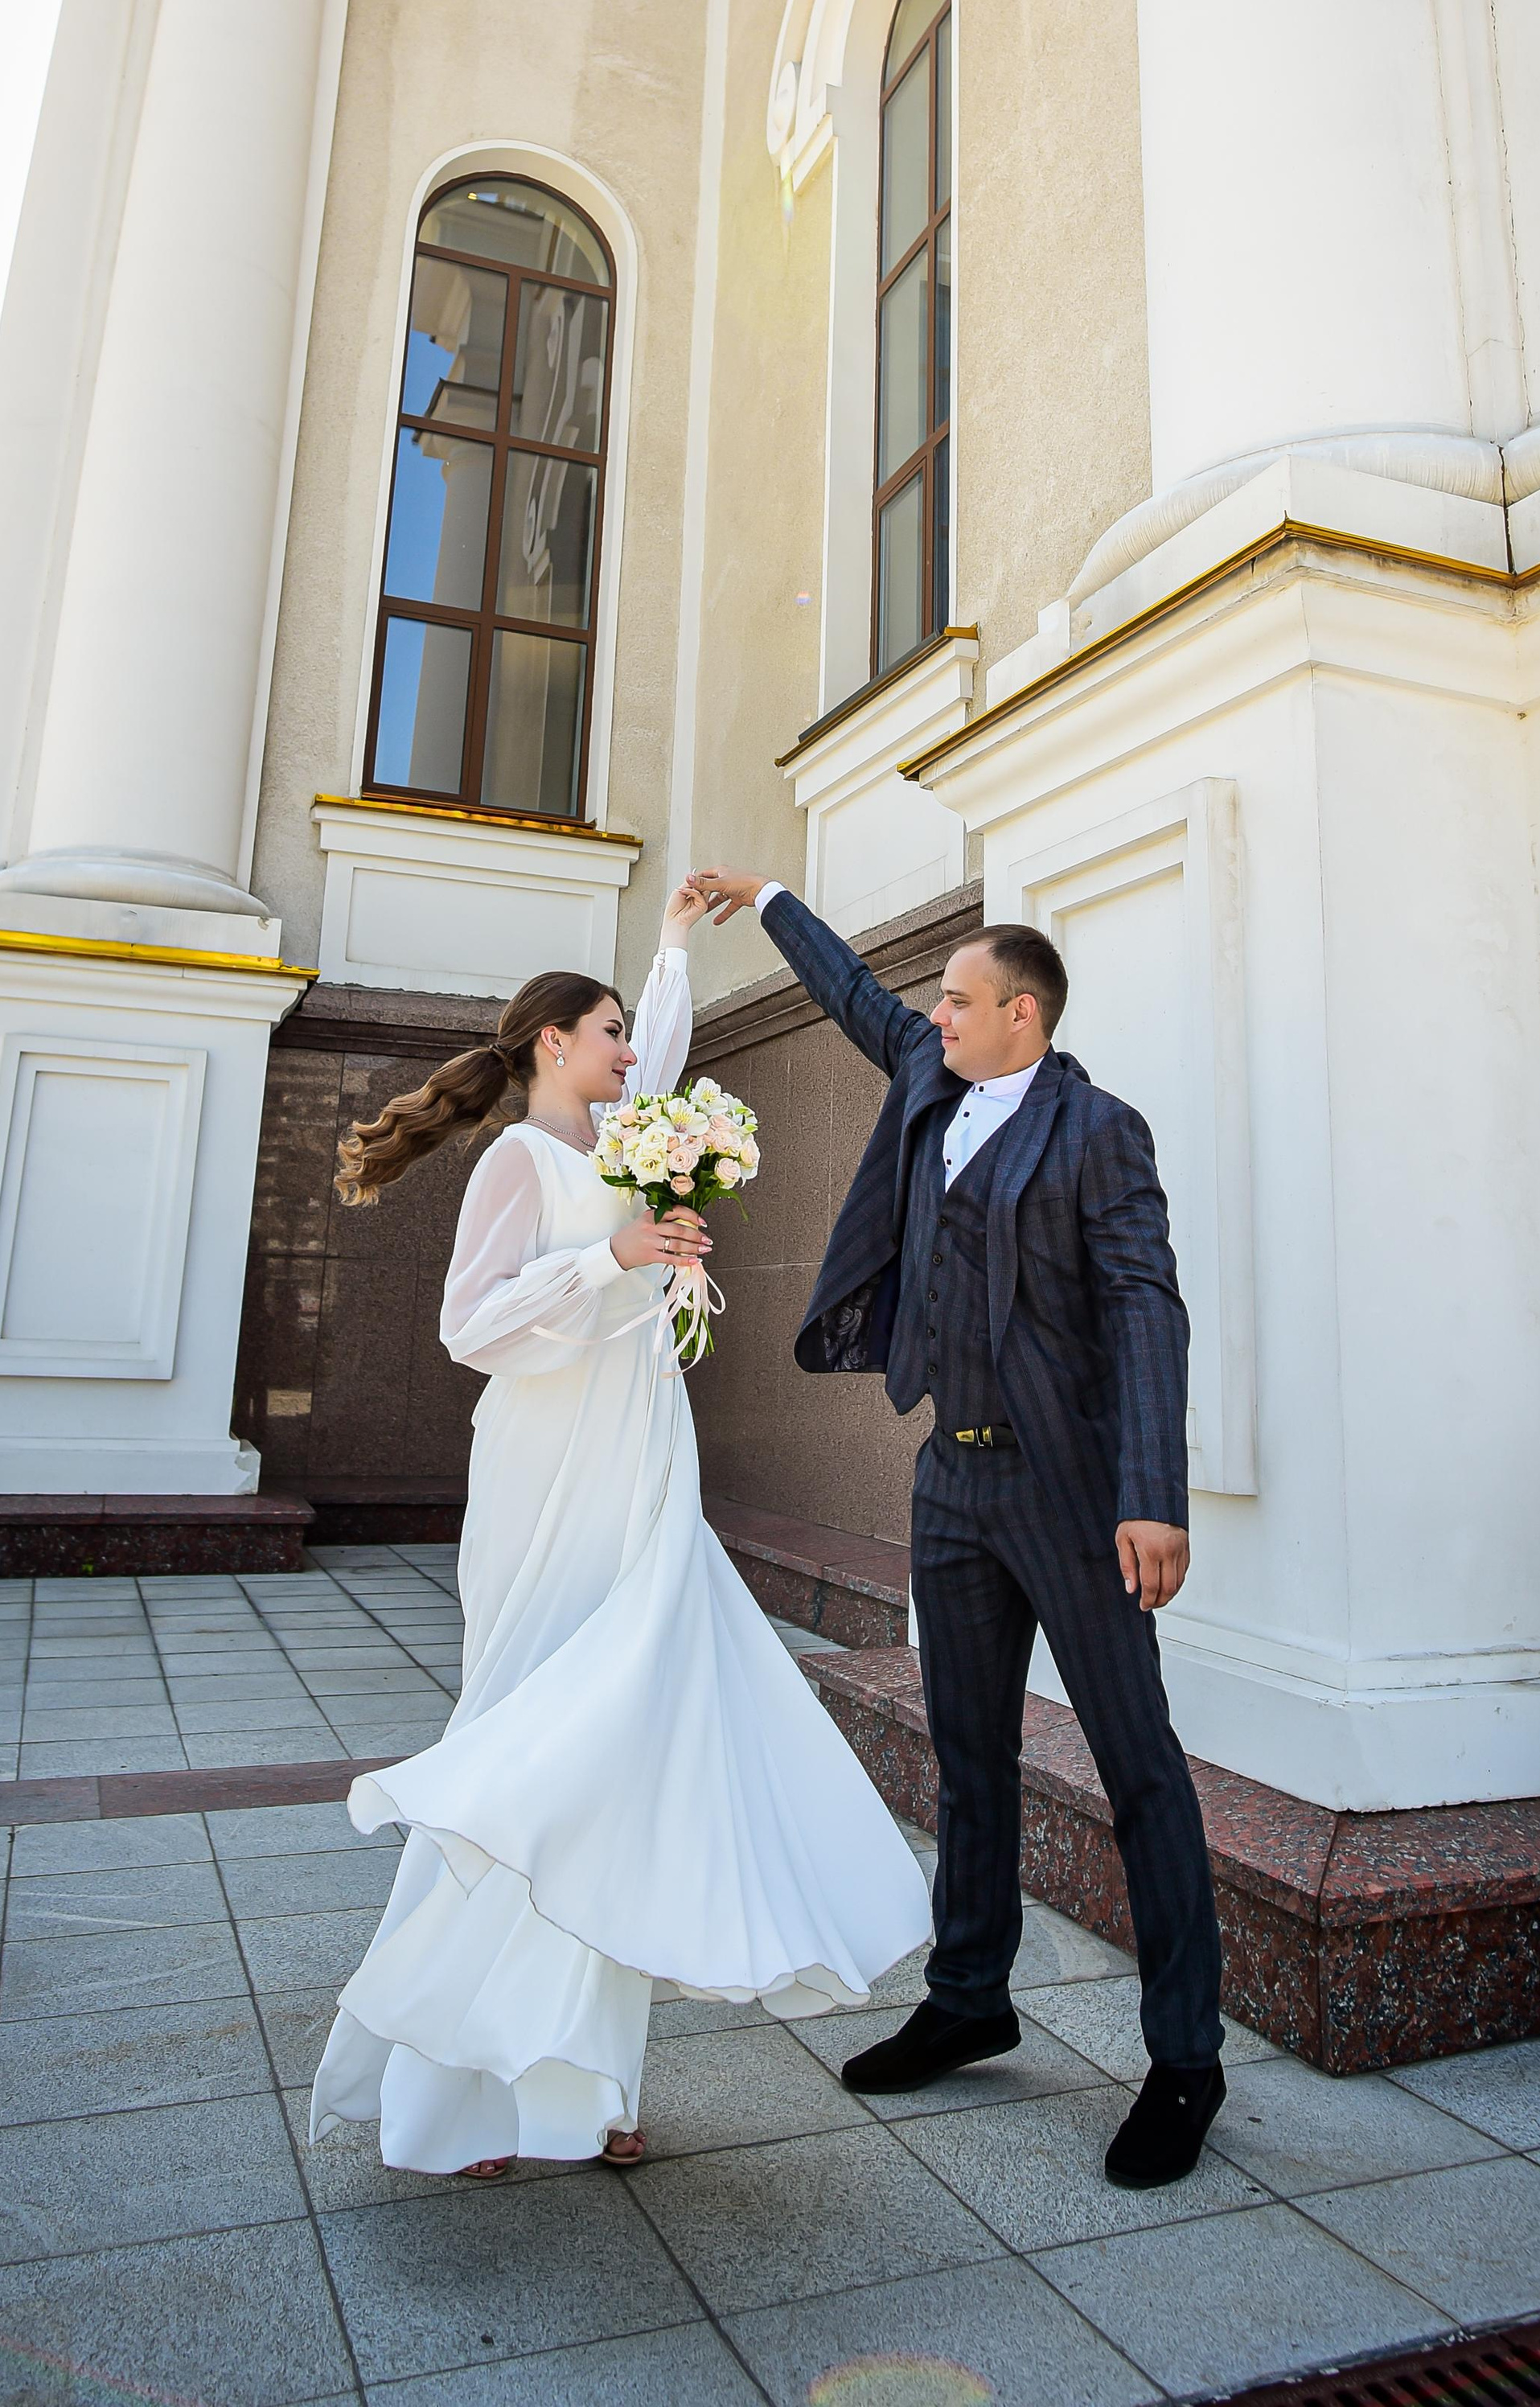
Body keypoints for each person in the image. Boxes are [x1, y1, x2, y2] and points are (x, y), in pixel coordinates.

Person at [308, 878, 931, 2179]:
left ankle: (588, 2097)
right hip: (549, 1483)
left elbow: (670, 1053)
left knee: (629, 1771)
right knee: (526, 1761)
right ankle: (453, 2099)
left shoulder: (620, 1154)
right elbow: (468, 1327)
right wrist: (615, 1257)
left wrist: (668, 948)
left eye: (629, 1038)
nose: (630, 1054)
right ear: (552, 1046)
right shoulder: (520, 1161)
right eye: (608, 1035)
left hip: (645, 1470)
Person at [692, 871, 1226, 2189]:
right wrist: (769, 898)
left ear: (1024, 1018)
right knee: (969, 1757)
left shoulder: (1102, 1131)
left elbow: (1148, 1307)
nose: (933, 1016)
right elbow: (858, 999)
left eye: (960, 1000)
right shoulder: (931, 1081)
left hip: (1072, 1492)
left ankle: (1184, 2062)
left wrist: (1151, 1490)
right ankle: (970, 1994)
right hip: (952, 1483)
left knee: (1137, 1764)